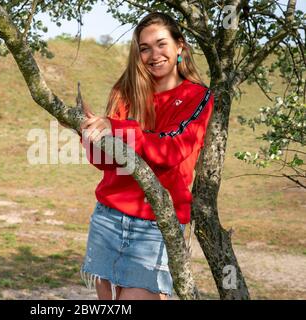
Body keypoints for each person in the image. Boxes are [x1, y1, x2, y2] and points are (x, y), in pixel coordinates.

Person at [78, 12, 214, 300]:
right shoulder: (125, 91)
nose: (154, 54)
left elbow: (171, 149)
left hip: (155, 225)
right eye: (144, 48)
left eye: (161, 44)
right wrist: (90, 136)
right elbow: (105, 162)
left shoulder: (197, 97)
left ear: (180, 47)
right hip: (109, 217)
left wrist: (115, 128)